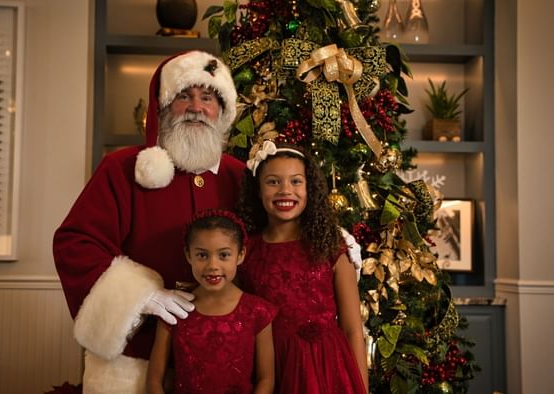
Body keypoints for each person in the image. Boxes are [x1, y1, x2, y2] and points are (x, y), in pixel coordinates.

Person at [53, 50, 244, 393]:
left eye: (208, 98)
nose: (197, 107)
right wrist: (140, 297)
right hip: (133, 360)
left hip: (222, 360)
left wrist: (331, 241)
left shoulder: (239, 176)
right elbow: (75, 243)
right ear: (163, 108)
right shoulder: (123, 168)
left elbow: (278, 233)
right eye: (184, 96)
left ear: (223, 112)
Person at [236, 140, 369, 394]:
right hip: (272, 370)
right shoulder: (246, 251)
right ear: (257, 189)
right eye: (273, 182)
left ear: (310, 188)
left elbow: (353, 328)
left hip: (326, 369)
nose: (285, 190)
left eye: (296, 181)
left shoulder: (332, 245)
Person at [146, 209, 276, 394]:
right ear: (188, 255)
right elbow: (154, 381)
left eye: (223, 255)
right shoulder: (173, 310)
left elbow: (266, 380)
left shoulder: (258, 312)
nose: (213, 266)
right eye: (202, 255)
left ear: (240, 255)